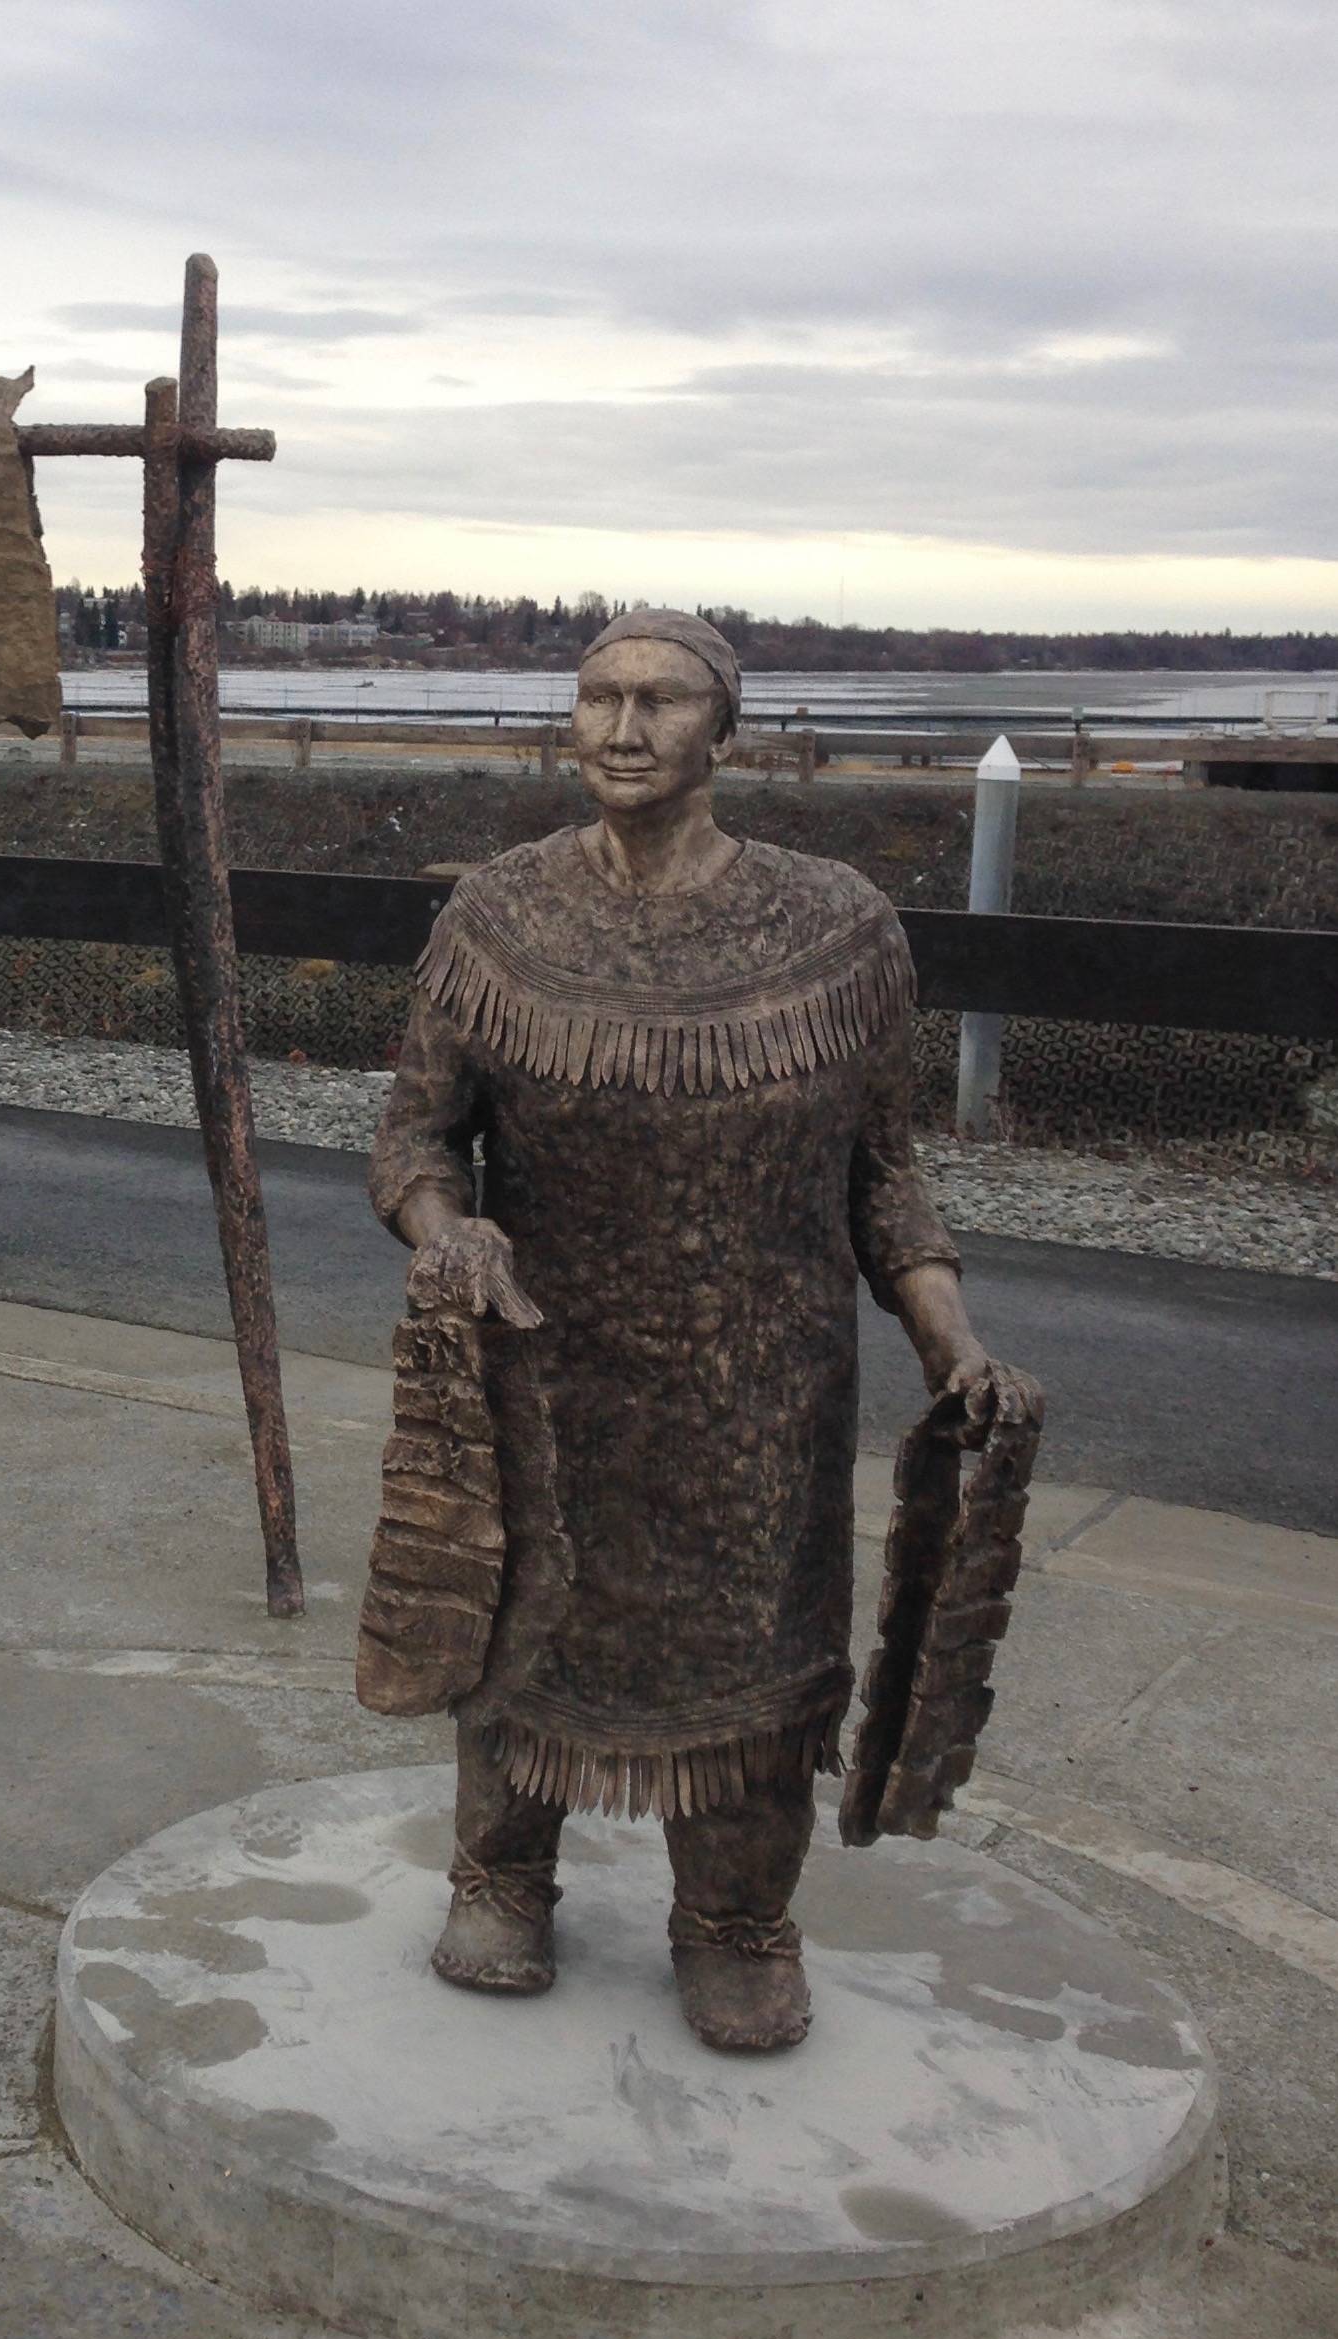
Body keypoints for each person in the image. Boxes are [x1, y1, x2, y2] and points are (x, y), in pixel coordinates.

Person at [367, 610, 1029, 2051]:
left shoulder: (837, 929)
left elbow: (884, 1172)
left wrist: (950, 1338)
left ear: (724, 726)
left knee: (754, 1650)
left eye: (661, 700)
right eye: (598, 696)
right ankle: (502, 1874)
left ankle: (733, 1920)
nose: (623, 729)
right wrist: (446, 1231)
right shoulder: (498, 917)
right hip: (550, 1365)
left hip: (761, 1394)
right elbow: (415, 1142)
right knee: (526, 1620)